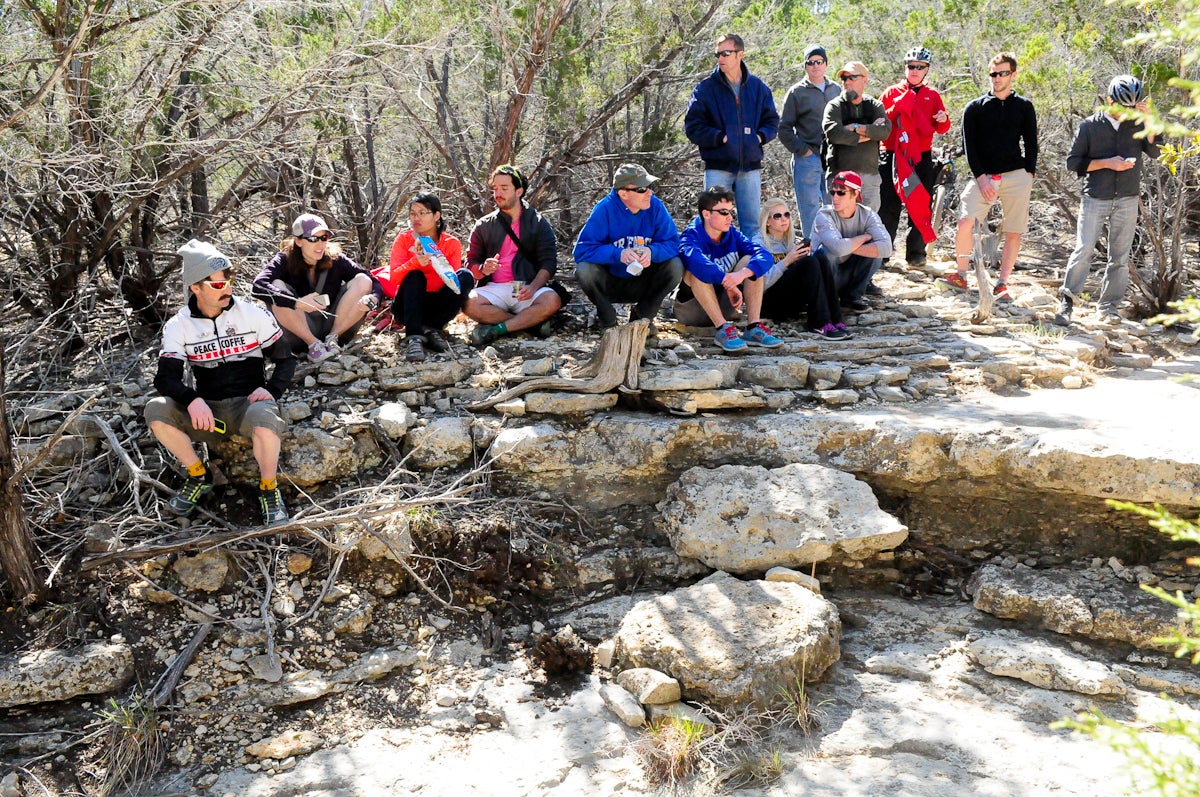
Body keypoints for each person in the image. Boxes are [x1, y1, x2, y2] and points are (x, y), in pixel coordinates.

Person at [145, 240, 297, 525]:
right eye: (216, 285)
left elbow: (286, 359)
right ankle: (199, 475)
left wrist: (272, 389)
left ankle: (268, 489)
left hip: (248, 406)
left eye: (229, 280)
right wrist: (192, 400)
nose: (226, 288)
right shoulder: (179, 325)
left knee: (265, 417)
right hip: (210, 415)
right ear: (196, 288)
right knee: (156, 409)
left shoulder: (253, 314)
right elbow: (165, 378)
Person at [1055, 75, 1159, 325]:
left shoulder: (1139, 124)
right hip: (1095, 197)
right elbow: (1073, 162)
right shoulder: (1089, 126)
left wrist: (1150, 120)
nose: (1127, 112)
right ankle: (1067, 302)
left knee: (1120, 257)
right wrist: (1106, 164)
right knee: (1084, 249)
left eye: (1132, 107)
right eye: (1123, 106)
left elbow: (1155, 152)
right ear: (1110, 100)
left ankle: (1108, 307)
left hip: (1127, 197)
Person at [943, 52, 1038, 300]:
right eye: (993, 74)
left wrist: (1029, 173)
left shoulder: (1024, 107)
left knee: (1013, 230)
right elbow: (970, 147)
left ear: (1013, 75)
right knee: (966, 222)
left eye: (1002, 73)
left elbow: (1031, 143)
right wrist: (982, 178)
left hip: (1017, 176)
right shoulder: (974, 108)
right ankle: (961, 275)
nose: (996, 78)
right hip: (984, 176)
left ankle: (1002, 283)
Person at [251, 214, 383, 363]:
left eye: (324, 238)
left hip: (335, 327)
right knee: (276, 286)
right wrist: (297, 303)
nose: (320, 244)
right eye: (313, 239)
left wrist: (374, 299)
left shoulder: (335, 258)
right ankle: (313, 344)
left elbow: (371, 280)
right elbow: (258, 286)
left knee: (363, 281)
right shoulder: (284, 259)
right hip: (298, 334)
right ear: (298, 241)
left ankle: (332, 339)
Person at [684, 33, 780, 231]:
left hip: (750, 168)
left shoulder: (758, 88)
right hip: (718, 167)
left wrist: (759, 137)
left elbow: (772, 121)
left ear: (740, 54)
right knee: (713, 225)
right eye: (718, 54)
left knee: (753, 226)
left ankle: (751, 263)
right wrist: (720, 137)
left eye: (726, 53)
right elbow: (693, 126)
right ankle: (714, 262)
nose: (720, 58)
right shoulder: (705, 89)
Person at [573, 163, 683, 330]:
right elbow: (582, 251)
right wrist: (619, 254)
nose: (649, 193)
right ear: (623, 193)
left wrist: (652, 251)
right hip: (611, 281)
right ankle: (607, 320)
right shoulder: (604, 209)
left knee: (675, 266)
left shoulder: (656, 207)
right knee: (584, 270)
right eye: (641, 189)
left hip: (643, 281)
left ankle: (642, 318)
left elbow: (673, 243)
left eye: (649, 187)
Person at [677, 186, 785, 353]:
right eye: (724, 212)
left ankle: (753, 327)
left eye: (731, 212)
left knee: (751, 262)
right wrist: (728, 282)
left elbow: (764, 255)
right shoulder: (691, 236)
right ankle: (722, 330)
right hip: (694, 311)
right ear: (706, 214)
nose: (730, 217)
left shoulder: (732, 234)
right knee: (696, 272)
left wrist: (742, 274)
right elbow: (697, 263)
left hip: (726, 304)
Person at [464, 164, 562, 346]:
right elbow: (470, 263)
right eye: (495, 188)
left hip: (526, 287)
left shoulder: (538, 223)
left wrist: (533, 287)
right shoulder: (484, 225)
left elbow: (548, 263)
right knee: (469, 303)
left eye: (504, 188)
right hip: (494, 288)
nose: (498, 194)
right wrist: (483, 269)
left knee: (552, 300)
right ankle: (528, 324)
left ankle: (498, 329)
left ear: (519, 191)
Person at [378, 193, 475, 362]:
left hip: (437, 306)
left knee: (465, 276)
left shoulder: (451, 243)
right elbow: (394, 278)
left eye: (422, 213)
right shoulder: (404, 239)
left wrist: (438, 263)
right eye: (413, 213)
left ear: (436, 215)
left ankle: (431, 329)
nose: (416, 218)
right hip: (408, 305)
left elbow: (453, 284)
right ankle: (414, 336)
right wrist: (414, 263)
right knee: (415, 275)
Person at [878, 46, 951, 268]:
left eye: (920, 67)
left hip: (921, 156)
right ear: (905, 67)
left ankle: (916, 254)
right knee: (888, 204)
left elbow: (942, 128)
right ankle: (882, 252)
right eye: (911, 66)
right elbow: (879, 123)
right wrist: (894, 108)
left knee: (920, 203)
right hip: (892, 154)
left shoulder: (932, 95)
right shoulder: (891, 92)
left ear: (927, 70)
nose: (915, 70)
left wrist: (943, 118)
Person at [753, 198, 852, 339]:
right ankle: (819, 323)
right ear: (767, 221)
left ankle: (835, 320)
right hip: (768, 304)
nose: (784, 219)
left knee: (820, 257)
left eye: (786, 215)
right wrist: (787, 261)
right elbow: (761, 284)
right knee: (809, 262)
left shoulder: (789, 242)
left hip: (791, 302)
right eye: (777, 216)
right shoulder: (758, 243)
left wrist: (800, 258)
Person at [779, 44, 840, 236]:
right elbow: (784, 128)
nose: (815, 66)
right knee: (809, 207)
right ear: (805, 66)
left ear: (826, 64)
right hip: (808, 157)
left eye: (819, 61)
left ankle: (833, 251)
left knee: (835, 205)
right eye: (811, 62)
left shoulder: (836, 89)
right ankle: (812, 252)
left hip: (832, 158)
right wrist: (802, 149)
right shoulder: (796, 92)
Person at [811, 171, 893, 311]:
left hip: (847, 274)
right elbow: (836, 249)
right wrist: (864, 237)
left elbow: (886, 249)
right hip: (824, 277)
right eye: (833, 192)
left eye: (841, 193)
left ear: (855, 194)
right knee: (827, 251)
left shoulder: (868, 215)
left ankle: (852, 297)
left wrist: (846, 245)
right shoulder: (824, 215)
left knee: (876, 252)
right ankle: (826, 298)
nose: (835, 197)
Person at [822, 61, 891, 212]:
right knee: (837, 225)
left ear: (864, 80)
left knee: (868, 226)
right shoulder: (834, 106)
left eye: (852, 77)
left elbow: (884, 131)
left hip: (869, 178)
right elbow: (834, 134)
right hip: (839, 178)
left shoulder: (874, 106)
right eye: (844, 79)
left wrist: (854, 128)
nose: (847, 82)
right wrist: (870, 133)